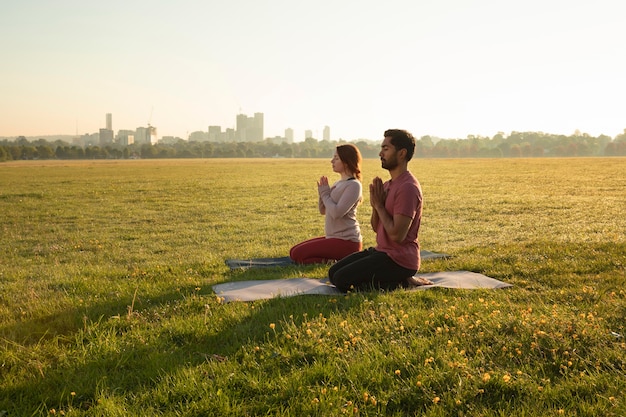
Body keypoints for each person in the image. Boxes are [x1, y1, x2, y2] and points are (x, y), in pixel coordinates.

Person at [328, 129, 423, 292]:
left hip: (400, 260)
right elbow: (376, 227)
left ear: (402, 153)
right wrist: (375, 206)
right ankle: (394, 279)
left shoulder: (408, 188)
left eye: (386, 149)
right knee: (333, 272)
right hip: (382, 252)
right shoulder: (387, 185)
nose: (380, 153)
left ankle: (401, 281)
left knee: (342, 280)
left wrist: (379, 206)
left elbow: (397, 236)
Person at [289, 144, 363, 264]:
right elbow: (323, 211)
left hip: (347, 242)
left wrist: (325, 195)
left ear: (346, 162)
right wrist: (322, 194)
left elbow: (336, 213)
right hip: (334, 238)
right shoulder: (338, 183)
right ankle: (330, 260)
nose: (332, 161)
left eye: (336, 158)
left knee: (298, 255)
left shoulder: (354, 185)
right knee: (293, 252)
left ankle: (333, 260)